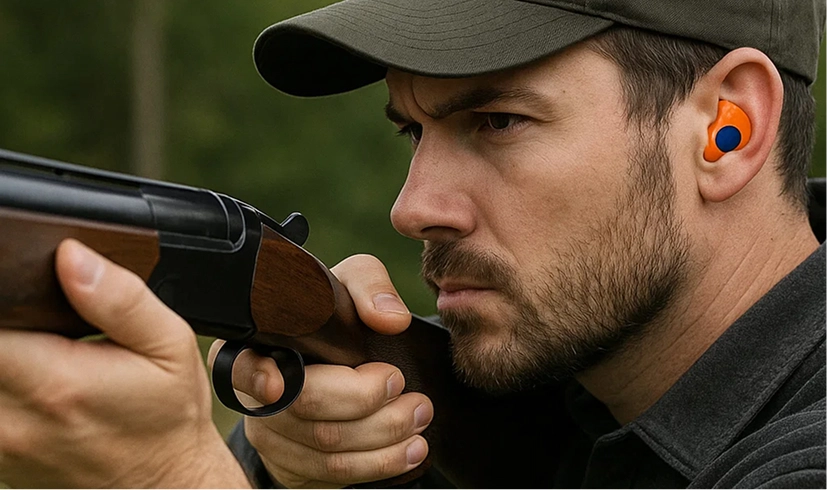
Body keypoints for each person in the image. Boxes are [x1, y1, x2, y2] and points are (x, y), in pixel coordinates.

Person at [0, 0, 822, 488]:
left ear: (728, 127)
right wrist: (289, 459)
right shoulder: (558, 398)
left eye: (496, 121)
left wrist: (169, 477)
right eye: (411, 133)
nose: (413, 207)